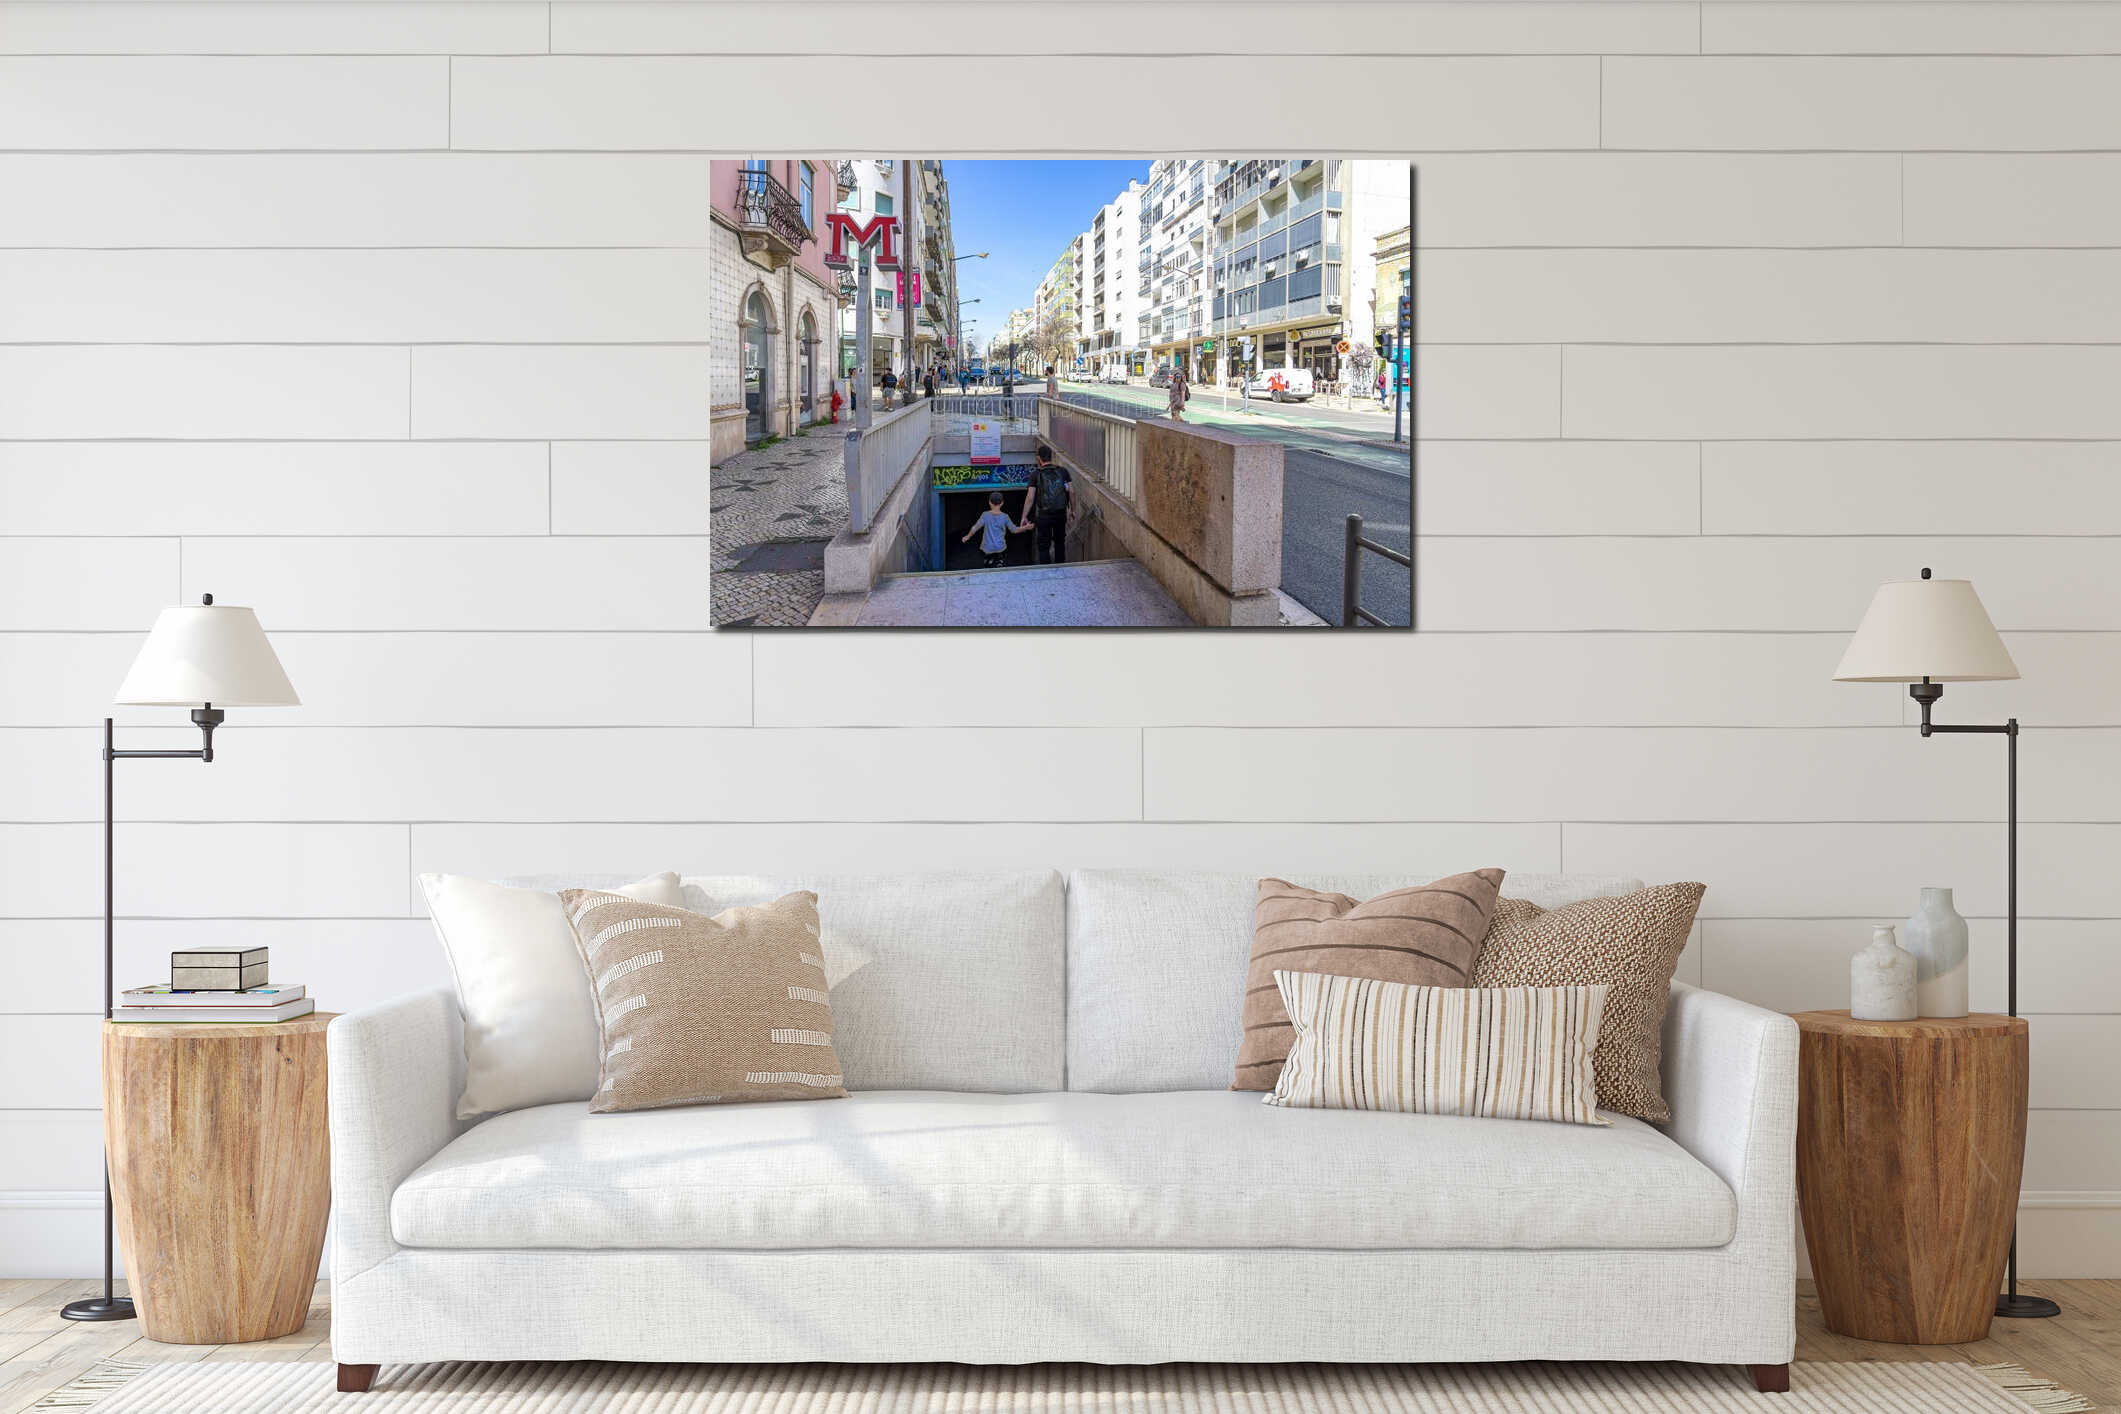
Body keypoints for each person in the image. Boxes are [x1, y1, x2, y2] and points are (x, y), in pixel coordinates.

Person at [1017, 443, 1072, 566]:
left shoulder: (1035, 474)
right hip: (1060, 513)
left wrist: (1024, 516)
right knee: (1059, 542)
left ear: (1039, 458)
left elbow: (1030, 497)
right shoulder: (1063, 471)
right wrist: (1072, 510)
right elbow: (1071, 491)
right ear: (1051, 456)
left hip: (1043, 515)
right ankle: (1061, 568)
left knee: (1043, 545)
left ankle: (1045, 570)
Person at [961, 489, 1025, 568]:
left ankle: (988, 563)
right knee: (1000, 562)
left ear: (989, 502)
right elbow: (1014, 530)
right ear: (1002, 503)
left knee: (987, 563)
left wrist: (967, 536)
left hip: (988, 548)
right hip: (1000, 548)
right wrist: (1026, 527)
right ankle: (999, 562)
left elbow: (975, 528)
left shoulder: (985, 515)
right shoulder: (1005, 517)